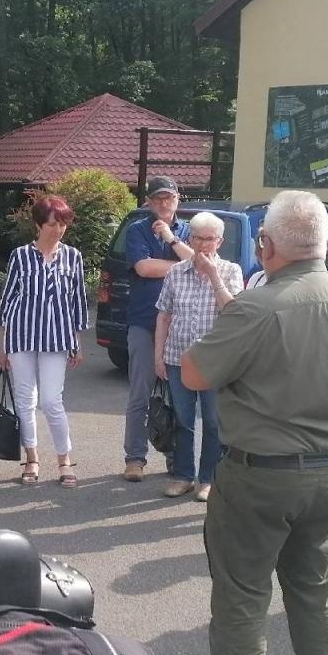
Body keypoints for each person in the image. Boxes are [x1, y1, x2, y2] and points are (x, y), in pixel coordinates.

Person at [181, 190, 328, 655]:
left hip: (259, 474)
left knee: (241, 601)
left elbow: (193, 374)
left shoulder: (258, 305)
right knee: (314, 593)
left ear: (266, 245)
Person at [0, 194, 89, 487]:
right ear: (39, 224)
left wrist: (76, 341)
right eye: (53, 223)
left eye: (63, 223)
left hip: (57, 338)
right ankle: (32, 458)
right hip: (22, 336)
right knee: (25, 402)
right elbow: (8, 300)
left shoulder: (73, 257)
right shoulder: (20, 256)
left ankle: (64, 460)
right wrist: (3, 345)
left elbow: (77, 302)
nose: (58, 229)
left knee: (51, 401)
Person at [153, 211, 242, 502]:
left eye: (209, 239)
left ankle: (208, 479)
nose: (203, 245)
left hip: (215, 362)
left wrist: (213, 274)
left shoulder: (230, 271)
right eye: (198, 238)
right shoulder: (177, 272)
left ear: (220, 241)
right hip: (178, 357)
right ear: (190, 238)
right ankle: (182, 476)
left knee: (214, 423)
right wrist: (158, 355)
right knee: (183, 420)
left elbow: (234, 313)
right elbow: (164, 315)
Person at [121, 175, 190, 481]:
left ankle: (177, 459)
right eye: (158, 198)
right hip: (143, 322)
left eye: (169, 198)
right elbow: (143, 268)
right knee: (140, 394)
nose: (164, 203)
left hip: (181, 326)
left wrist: (172, 239)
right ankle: (135, 458)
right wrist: (186, 265)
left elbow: (200, 260)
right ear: (148, 202)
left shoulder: (187, 231)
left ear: (177, 200)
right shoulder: (136, 230)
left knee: (179, 397)